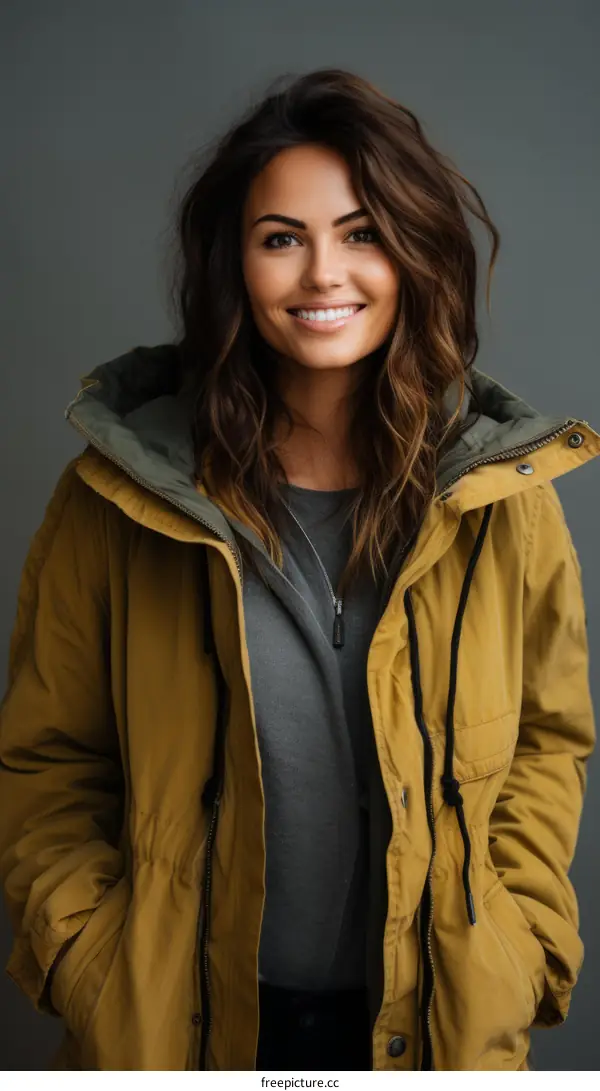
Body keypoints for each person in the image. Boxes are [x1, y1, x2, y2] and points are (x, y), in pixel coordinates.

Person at [0, 67, 597, 1074]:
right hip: (176, 1032)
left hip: (434, 1030)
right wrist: (88, 958)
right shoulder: (116, 500)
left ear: (413, 255)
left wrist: (518, 945)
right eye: (283, 238)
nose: (325, 274)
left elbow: (548, 741)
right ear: (236, 264)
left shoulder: (502, 500)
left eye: (362, 232)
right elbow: (49, 758)